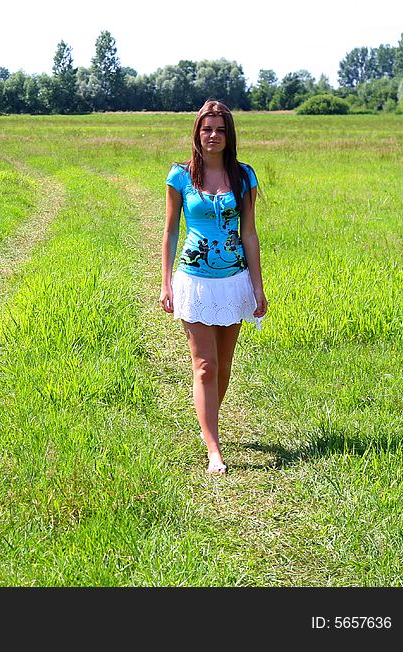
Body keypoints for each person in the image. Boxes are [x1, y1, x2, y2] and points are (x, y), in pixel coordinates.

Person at [159, 99, 267, 474]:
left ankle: (210, 423)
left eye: (220, 129)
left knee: (223, 367)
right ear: (197, 133)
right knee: (205, 366)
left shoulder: (244, 176)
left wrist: (257, 286)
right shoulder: (181, 177)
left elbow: (249, 233)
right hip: (194, 280)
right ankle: (214, 449)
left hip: (233, 281)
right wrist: (165, 282)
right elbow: (171, 231)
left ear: (229, 134)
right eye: (207, 129)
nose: (214, 136)